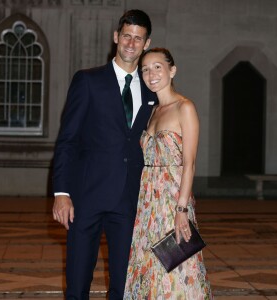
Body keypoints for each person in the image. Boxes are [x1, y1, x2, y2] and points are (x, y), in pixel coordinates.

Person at [52, 10, 157, 300]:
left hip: (128, 201)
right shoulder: (87, 80)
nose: (131, 44)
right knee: (77, 281)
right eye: (127, 36)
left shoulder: (152, 88)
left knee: (124, 287)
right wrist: (61, 192)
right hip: (86, 198)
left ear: (146, 43)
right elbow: (68, 140)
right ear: (116, 37)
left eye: (138, 38)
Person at [124, 48, 213, 299]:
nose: (150, 74)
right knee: (149, 265)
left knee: (177, 265)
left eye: (157, 67)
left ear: (172, 70)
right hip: (148, 201)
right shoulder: (152, 111)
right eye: (145, 69)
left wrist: (182, 210)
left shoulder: (185, 107)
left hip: (172, 200)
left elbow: (190, 163)